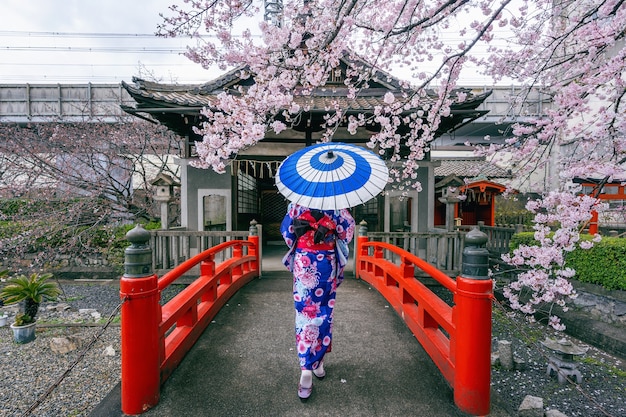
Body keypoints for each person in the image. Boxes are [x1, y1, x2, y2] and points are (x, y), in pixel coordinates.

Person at [280, 203, 356, 401]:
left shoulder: (296, 205)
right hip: (325, 264)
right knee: (323, 313)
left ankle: (306, 367)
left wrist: (305, 237)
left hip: (304, 262)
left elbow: (288, 235)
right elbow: (347, 234)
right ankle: (318, 362)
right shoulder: (337, 205)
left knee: (305, 313)